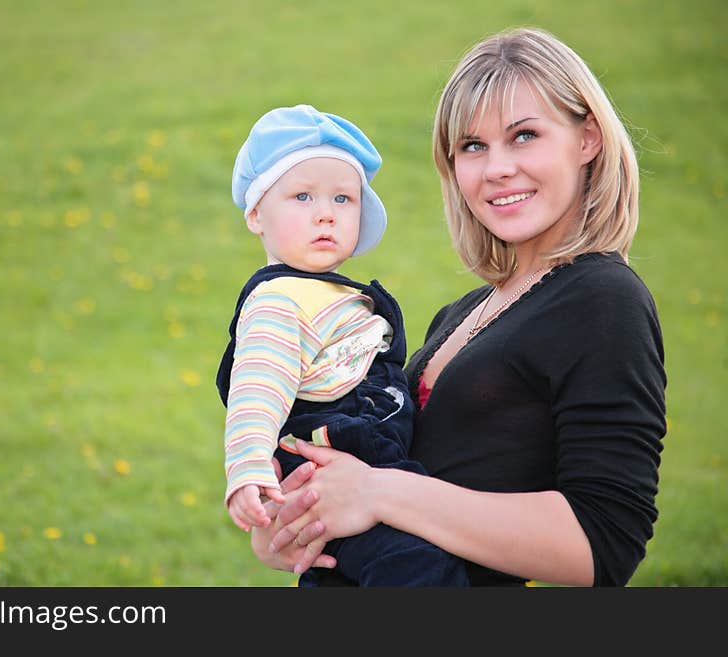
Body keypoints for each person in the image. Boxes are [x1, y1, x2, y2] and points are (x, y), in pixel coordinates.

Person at [252, 27, 667, 587]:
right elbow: (387, 480)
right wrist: (296, 513)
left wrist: (379, 492)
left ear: (587, 138)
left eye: (524, 136)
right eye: (473, 146)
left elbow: (603, 544)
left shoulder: (603, 299)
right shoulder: (463, 313)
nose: (496, 168)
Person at [216, 104, 468, 586]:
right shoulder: (280, 300)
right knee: (418, 569)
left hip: (367, 470)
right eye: (302, 196)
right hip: (327, 468)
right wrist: (248, 467)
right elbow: (258, 387)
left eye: (343, 199)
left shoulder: (331, 293)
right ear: (255, 214)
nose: (325, 215)